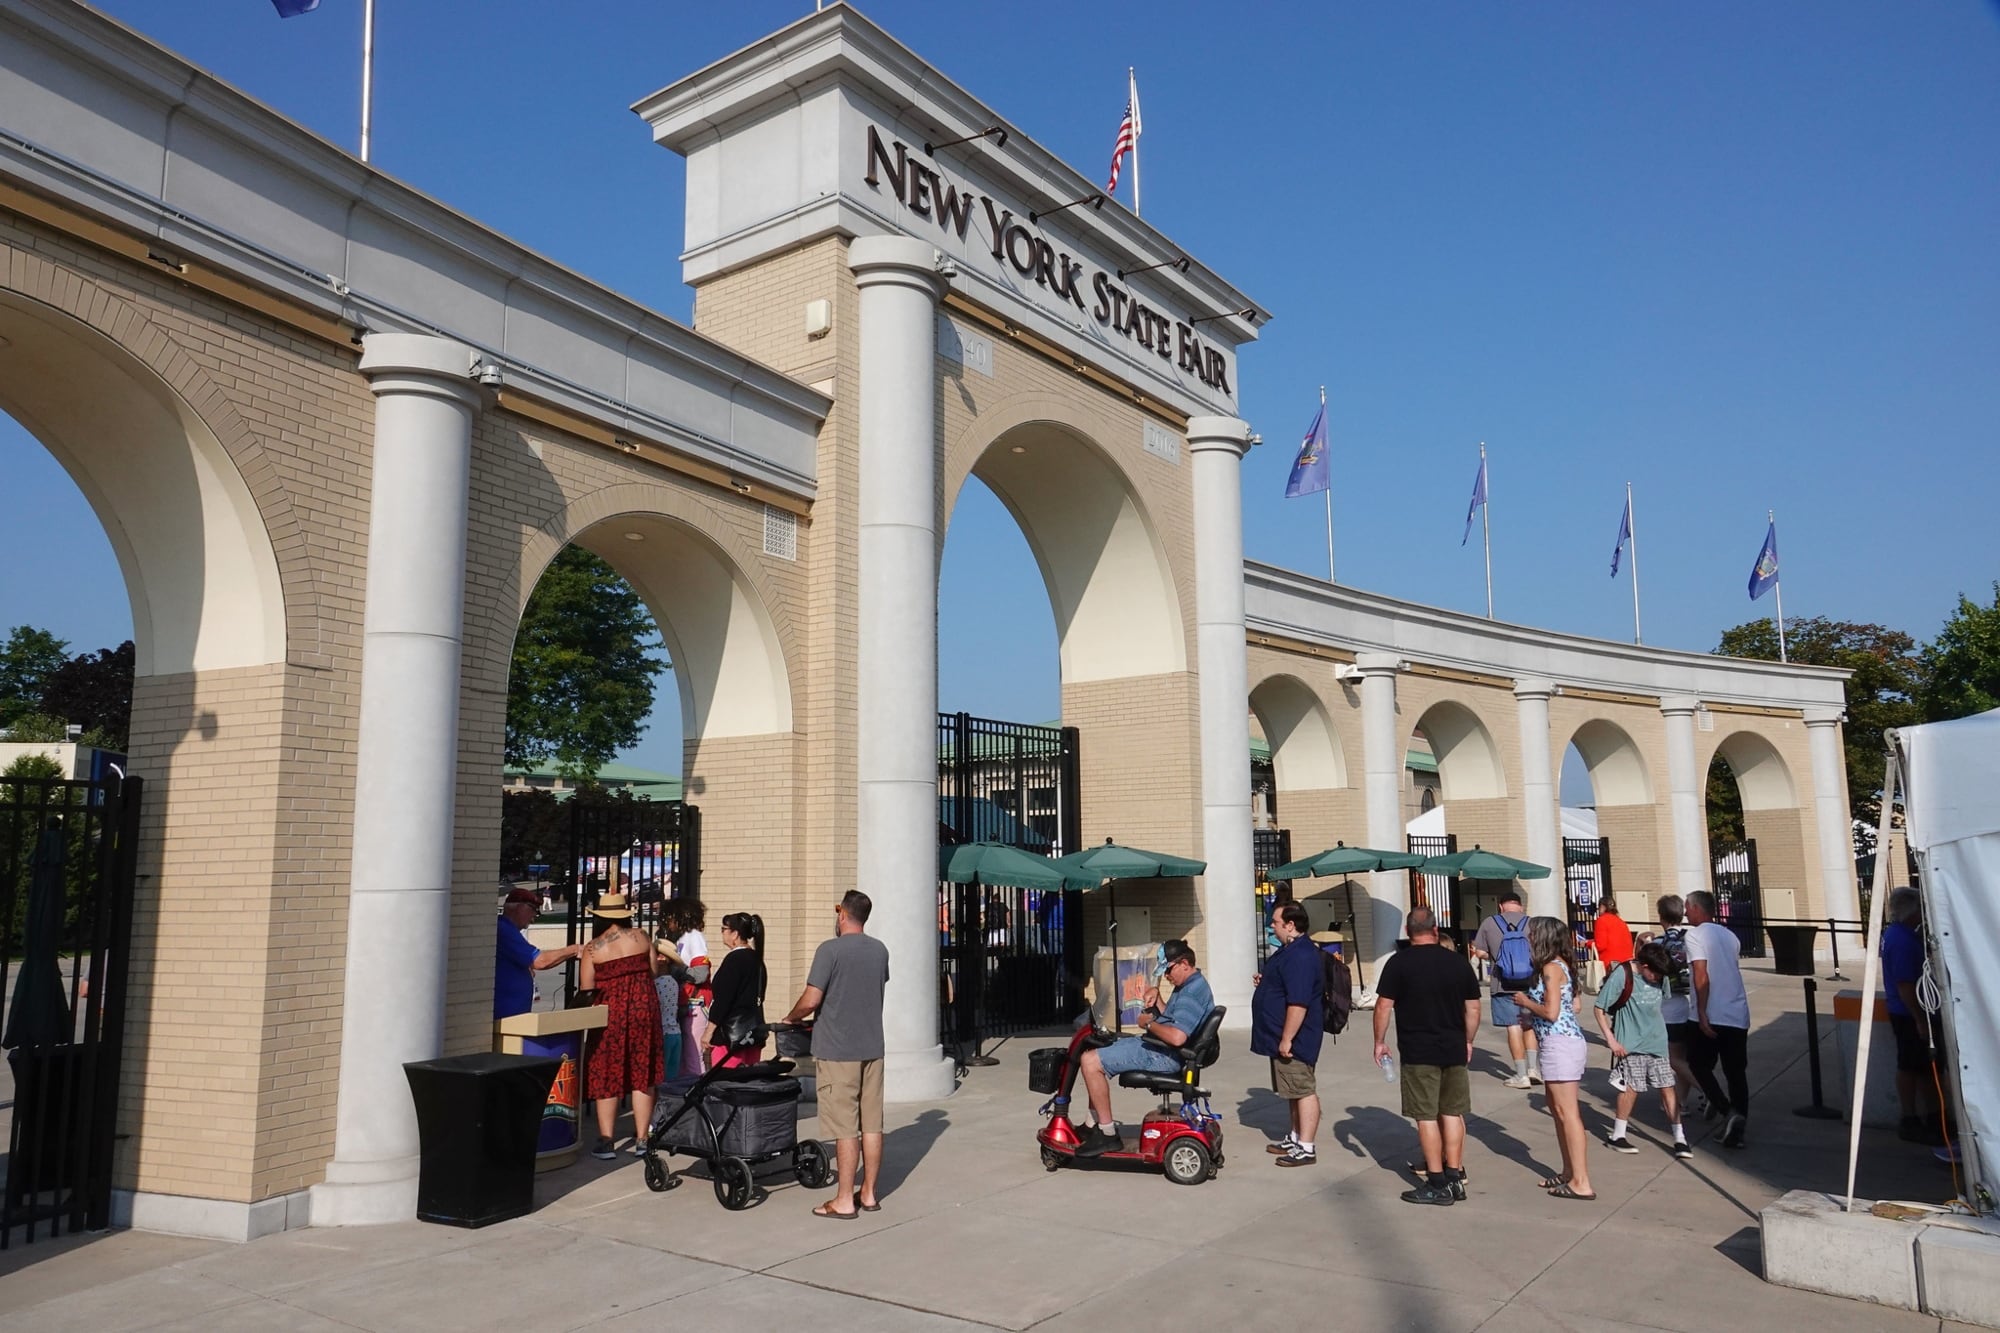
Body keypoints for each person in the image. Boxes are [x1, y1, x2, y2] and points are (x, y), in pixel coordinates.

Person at [781, 890, 890, 1219]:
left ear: (843, 915)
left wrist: (791, 1017)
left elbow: (812, 999)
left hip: (838, 1050)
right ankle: (868, 1193)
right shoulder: (879, 950)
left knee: (845, 1127)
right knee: (872, 1124)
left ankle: (844, 1199)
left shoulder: (830, 950)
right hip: (872, 1046)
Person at [1372, 906, 1481, 1206]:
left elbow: (1383, 1006)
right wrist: (1468, 1040)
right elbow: (1473, 1008)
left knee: (1426, 1116)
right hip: (1453, 1047)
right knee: (1452, 1111)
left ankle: (1436, 1182)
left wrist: (1379, 1041)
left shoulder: (1399, 963)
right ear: (1435, 930)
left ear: (1408, 932)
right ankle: (1454, 1176)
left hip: (1418, 1049)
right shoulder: (1458, 963)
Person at [1073, 940, 1213, 1157]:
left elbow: (1177, 1037)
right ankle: (1092, 1124)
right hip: (1162, 1048)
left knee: (1090, 1062)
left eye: (1168, 970)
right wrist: (1157, 998)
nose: (1166, 976)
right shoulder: (1190, 985)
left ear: (1184, 963)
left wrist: (1148, 1024)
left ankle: (1108, 1135)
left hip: (1165, 1056)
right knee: (1099, 1048)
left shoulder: (1192, 993)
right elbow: (1174, 1020)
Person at [1513, 915, 1595, 1200]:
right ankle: (1569, 1171)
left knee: (1567, 1112)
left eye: (1533, 934)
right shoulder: (1560, 966)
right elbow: (1574, 1005)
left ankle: (1581, 1181)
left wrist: (1526, 1003)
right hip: (1557, 1042)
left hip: (1560, 1044)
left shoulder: (1551, 967)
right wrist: (1531, 1016)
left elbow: (1552, 1012)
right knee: (1558, 1110)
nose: (1529, 939)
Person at [579, 892, 663, 1159]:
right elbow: (653, 971)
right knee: (643, 1073)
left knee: (607, 1072)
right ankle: (642, 1138)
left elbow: (587, 988)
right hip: (643, 1007)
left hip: (610, 1012)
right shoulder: (641, 937)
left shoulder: (594, 948)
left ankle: (606, 1140)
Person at [1593, 941, 1687, 1158]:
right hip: (1630, 1043)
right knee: (1631, 1088)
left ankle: (1680, 1138)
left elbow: (1663, 999)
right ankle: (1618, 1135)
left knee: (1667, 1086)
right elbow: (1599, 1008)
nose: (1657, 978)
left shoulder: (1660, 975)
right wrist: (1611, 1040)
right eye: (1654, 973)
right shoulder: (1622, 975)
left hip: (1657, 1040)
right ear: (1643, 965)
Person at [1252, 902, 1325, 1168]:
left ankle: (1306, 1147)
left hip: (1296, 1039)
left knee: (1303, 1090)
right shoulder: (1289, 952)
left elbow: (1299, 1002)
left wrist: (1287, 1038)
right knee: (1292, 1090)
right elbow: (1285, 985)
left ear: (1290, 925)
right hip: (1280, 1036)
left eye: (1275, 922)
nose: (1271, 926)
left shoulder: (1301, 955)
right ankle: (1295, 1137)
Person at [1684, 889, 1751, 1149]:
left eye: (1688, 907)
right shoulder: (1730, 936)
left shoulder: (1695, 935)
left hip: (1712, 1011)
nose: (1686, 912)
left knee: (1697, 1064)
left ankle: (1727, 1110)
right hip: (1737, 1012)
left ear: (1698, 908)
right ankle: (1738, 1126)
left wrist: (1702, 1012)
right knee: (1736, 1072)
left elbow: (1701, 975)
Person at [1881, 887, 1946, 1145]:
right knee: (1912, 1066)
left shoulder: (1897, 935)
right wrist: (1920, 1019)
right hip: (1909, 1013)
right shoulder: (1903, 941)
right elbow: (1906, 984)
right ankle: (1913, 1118)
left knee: (1923, 1068)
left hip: (1909, 1010)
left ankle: (1931, 1116)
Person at [1469, 888, 1541, 1088]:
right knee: (1529, 1025)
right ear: (1521, 906)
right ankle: (1533, 1069)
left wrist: (1494, 955)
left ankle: (1520, 1075)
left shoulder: (1489, 923)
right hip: (1530, 983)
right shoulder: (1532, 923)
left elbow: (1480, 951)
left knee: (1513, 1026)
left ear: (1500, 906)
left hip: (1503, 984)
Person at [494, 887, 581, 1021]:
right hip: (505, 1016)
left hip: (513, 1015)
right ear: (518, 907)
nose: (535, 915)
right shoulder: (504, 929)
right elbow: (539, 961)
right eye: (533, 909)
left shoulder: (508, 930)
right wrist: (574, 950)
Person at [706, 911, 768, 1070]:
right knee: (748, 1083)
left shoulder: (734, 960)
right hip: (753, 1030)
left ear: (735, 934)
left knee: (726, 1082)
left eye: (724, 929)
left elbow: (724, 999)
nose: (722, 933)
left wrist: (709, 1031)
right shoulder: (756, 960)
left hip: (731, 1034)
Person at [672, 898, 712, 1080]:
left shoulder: (694, 936)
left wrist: (678, 969)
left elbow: (701, 973)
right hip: (684, 1002)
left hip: (694, 1003)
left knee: (693, 1055)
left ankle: (698, 1095)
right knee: (683, 1056)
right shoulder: (682, 938)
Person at [1593, 899, 1634, 969]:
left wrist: (1588, 943)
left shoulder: (1601, 920)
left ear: (1602, 907)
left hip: (1610, 964)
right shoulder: (1621, 922)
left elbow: (1601, 945)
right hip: (1626, 963)